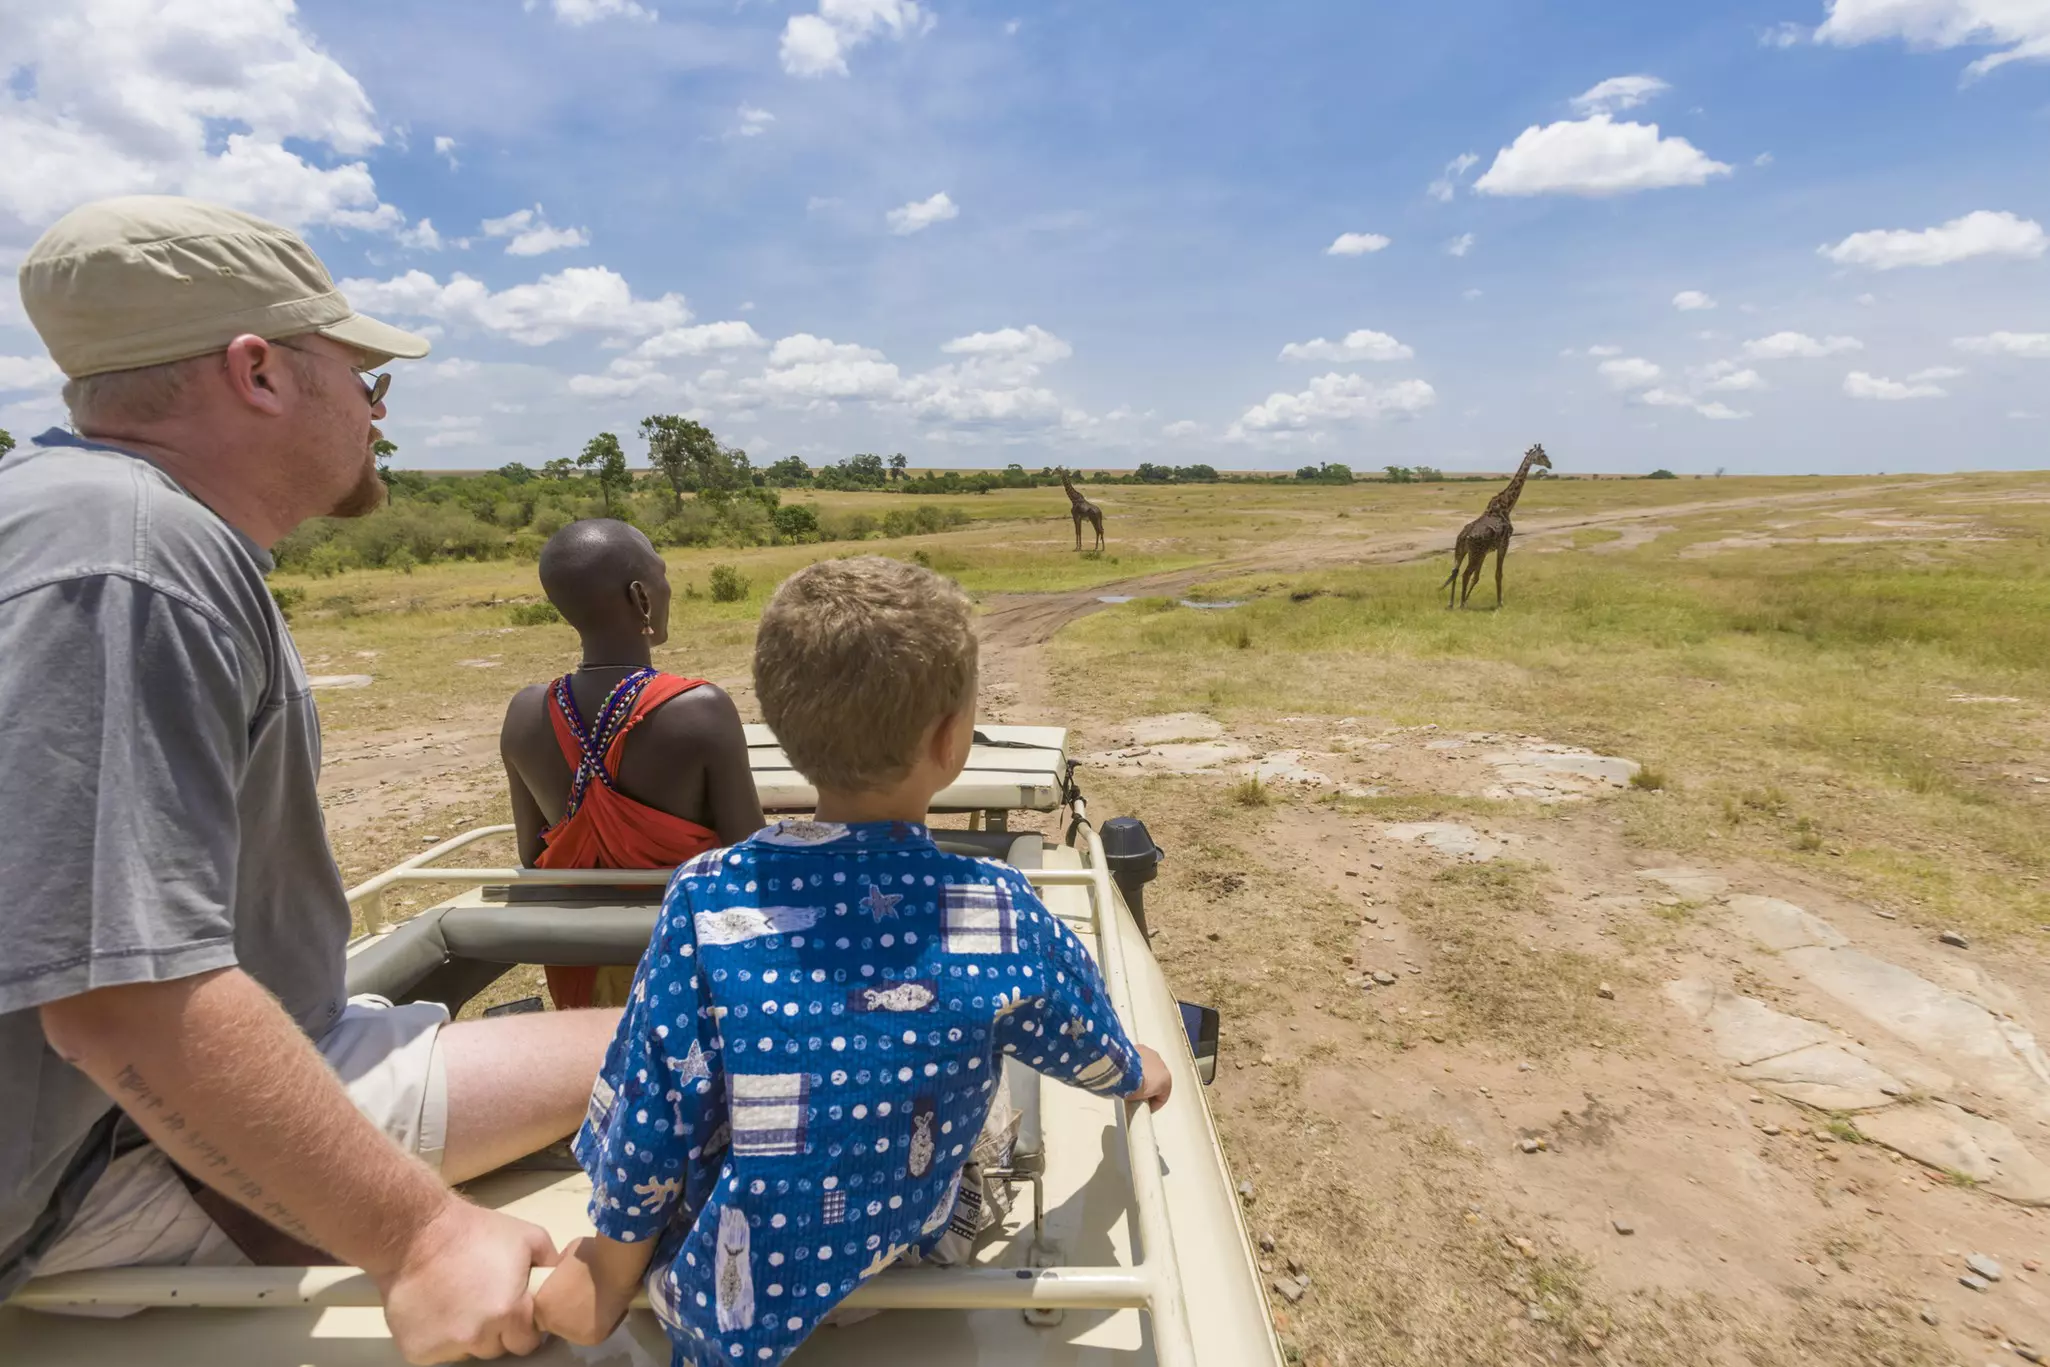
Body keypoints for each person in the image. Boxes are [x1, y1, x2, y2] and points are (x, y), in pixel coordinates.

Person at [0, 196, 620, 1363]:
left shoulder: (80, 517)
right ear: (259, 372)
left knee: (659, 1032)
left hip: (204, 1074)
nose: (376, 413)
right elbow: (117, 998)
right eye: (364, 379)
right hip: (100, 1159)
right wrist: (421, 1236)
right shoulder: (127, 559)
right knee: (721, 1047)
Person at [531, 556, 1174, 1364]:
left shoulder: (706, 893)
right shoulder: (997, 905)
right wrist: (1134, 1070)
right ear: (950, 740)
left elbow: (658, 1094)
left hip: (730, 1275)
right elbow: (1080, 1034)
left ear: (782, 727)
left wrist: (607, 1267)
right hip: (909, 1252)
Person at [500, 518, 765, 1009]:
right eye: (662, 575)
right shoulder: (700, 708)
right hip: (686, 965)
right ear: (641, 596)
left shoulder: (524, 712)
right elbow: (746, 857)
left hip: (582, 967)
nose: (668, 588)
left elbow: (532, 855)